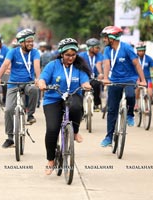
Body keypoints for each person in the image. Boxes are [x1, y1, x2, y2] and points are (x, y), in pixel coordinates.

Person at [38, 38, 92, 175]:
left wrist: (86, 85)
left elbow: (85, 80)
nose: (71, 58)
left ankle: (74, 131)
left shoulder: (79, 67)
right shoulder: (52, 65)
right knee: (52, 129)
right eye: (68, 55)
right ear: (61, 54)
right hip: (53, 98)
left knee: (76, 107)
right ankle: (50, 160)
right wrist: (42, 84)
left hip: (72, 95)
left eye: (73, 55)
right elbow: (43, 77)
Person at [100, 26, 147, 147]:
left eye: (105, 37)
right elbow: (106, 64)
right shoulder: (107, 50)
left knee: (131, 95)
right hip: (114, 80)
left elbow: (136, 64)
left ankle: (130, 114)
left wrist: (142, 80)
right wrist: (106, 78)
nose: (104, 40)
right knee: (111, 110)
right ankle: (109, 137)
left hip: (129, 78)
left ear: (112, 38)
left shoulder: (126, 48)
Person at [0, 29, 40, 148]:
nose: (31, 43)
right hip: (13, 84)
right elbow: (5, 64)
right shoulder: (13, 52)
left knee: (35, 89)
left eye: (32, 41)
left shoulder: (35, 52)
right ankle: (10, 137)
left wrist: (38, 78)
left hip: (28, 83)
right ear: (21, 43)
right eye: (28, 41)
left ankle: (30, 115)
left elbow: (36, 65)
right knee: (9, 109)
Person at [79, 38, 104, 111]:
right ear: (90, 48)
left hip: (95, 77)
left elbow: (98, 64)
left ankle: (96, 104)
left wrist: (101, 73)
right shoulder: (81, 55)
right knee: (81, 89)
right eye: (96, 47)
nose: (98, 49)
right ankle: (80, 107)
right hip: (84, 77)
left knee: (96, 85)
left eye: (99, 47)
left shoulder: (99, 55)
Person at [134, 42, 153, 107]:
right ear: (137, 51)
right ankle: (136, 103)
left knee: (150, 94)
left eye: (142, 50)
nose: (141, 52)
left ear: (145, 51)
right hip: (138, 78)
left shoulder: (149, 58)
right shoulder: (134, 58)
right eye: (139, 51)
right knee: (137, 89)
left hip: (148, 78)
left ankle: (147, 105)